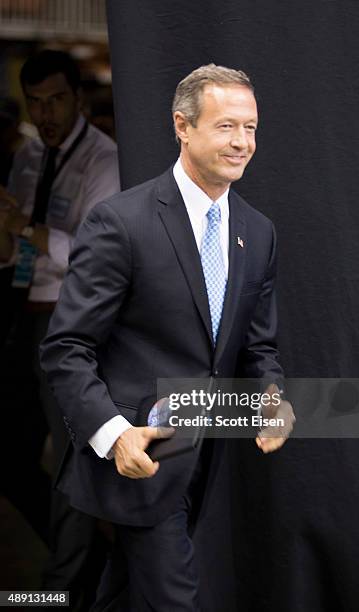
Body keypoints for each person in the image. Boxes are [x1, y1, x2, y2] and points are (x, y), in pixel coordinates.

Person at [40, 64, 295, 611]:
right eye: (227, 126)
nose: (243, 142)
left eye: (251, 128)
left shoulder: (258, 231)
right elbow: (66, 348)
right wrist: (113, 434)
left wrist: (271, 397)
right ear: (182, 126)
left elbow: (258, 345)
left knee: (119, 594)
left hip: (207, 464)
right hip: (138, 459)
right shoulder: (120, 223)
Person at [0, 49, 120, 609]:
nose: (45, 114)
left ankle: (62, 589)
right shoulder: (28, 156)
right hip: (21, 311)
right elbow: (18, 247)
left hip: (70, 320)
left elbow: (91, 258)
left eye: (55, 101)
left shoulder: (102, 160)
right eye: (36, 102)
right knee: (13, 453)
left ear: (76, 99)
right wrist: (12, 233)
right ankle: (80, 561)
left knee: (74, 460)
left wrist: (25, 227)